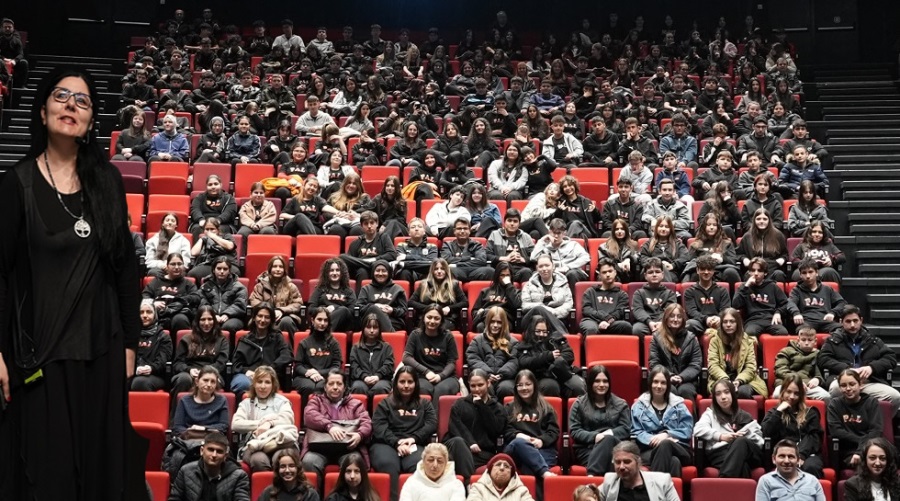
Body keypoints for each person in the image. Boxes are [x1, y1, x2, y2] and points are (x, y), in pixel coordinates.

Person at [0, 68, 146, 501]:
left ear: (91, 119)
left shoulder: (107, 180)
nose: (71, 105)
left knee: (100, 478)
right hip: (39, 357)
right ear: (42, 110)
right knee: (47, 479)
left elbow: (124, 267)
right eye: (61, 96)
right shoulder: (15, 183)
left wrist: (130, 346)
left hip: (101, 352)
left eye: (82, 101)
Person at [370, 366, 437, 501]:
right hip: (387, 444)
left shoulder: (425, 404)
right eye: (402, 382)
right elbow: (379, 427)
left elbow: (431, 424)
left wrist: (414, 438)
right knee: (388, 464)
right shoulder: (385, 404)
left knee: (418, 464)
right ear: (396, 383)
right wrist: (397, 443)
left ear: (416, 383)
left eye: (410, 382)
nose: (406, 386)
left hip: (415, 444)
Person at [818, 305, 900, 413]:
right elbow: (823, 359)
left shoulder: (872, 340)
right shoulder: (832, 340)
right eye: (848, 321)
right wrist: (847, 369)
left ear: (861, 320)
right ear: (841, 322)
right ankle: (843, 421)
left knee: (895, 397)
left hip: (868, 383)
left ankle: (875, 421)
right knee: (835, 389)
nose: (852, 325)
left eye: (855, 321)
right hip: (843, 382)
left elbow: (890, 357)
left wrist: (872, 367)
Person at [301, 369, 373, 478]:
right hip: (319, 449)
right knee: (309, 461)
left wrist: (360, 434)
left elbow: (366, 422)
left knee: (354, 461)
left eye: (339, 384)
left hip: (347, 449)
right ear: (325, 387)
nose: (335, 387)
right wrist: (329, 427)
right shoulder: (316, 401)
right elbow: (309, 415)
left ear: (344, 387)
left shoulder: (356, 404)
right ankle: (315, 490)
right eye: (331, 384)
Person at [631, 366, 694, 477]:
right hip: (649, 450)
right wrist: (654, 439)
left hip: (679, 448)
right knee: (674, 462)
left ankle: (654, 486)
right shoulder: (639, 406)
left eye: (663, 383)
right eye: (655, 382)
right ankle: (671, 488)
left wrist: (667, 435)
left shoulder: (678, 405)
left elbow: (687, 430)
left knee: (666, 444)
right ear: (650, 383)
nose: (659, 386)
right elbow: (636, 431)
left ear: (668, 385)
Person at [569, 365, 632, 476]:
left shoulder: (620, 404)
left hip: (615, 448)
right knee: (612, 463)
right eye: (597, 381)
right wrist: (595, 437)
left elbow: (626, 428)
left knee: (609, 441)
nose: (602, 385)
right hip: (587, 449)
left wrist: (608, 434)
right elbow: (574, 430)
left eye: (605, 381)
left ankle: (592, 477)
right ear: (590, 383)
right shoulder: (579, 404)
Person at [231, 366, 297, 472]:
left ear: (273, 384)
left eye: (267, 382)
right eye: (259, 382)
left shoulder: (282, 401)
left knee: (281, 460)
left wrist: (269, 424)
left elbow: (288, 420)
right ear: (254, 384)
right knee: (259, 461)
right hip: (254, 444)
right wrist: (261, 424)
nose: (263, 386)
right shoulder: (246, 403)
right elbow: (236, 424)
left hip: (279, 443)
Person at [695, 378, 764, 477]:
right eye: (718, 394)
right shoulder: (710, 414)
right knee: (743, 466)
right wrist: (721, 436)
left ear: (732, 394)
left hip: (749, 453)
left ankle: (723, 480)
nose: (723, 397)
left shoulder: (744, 416)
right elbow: (698, 430)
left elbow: (760, 442)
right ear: (714, 398)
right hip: (721, 454)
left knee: (741, 441)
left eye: (726, 392)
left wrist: (746, 435)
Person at [761, 374, 827, 479]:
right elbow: (765, 433)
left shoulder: (810, 413)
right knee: (785, 464)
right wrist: (779, 412)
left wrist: (799, 455)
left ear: (801, 395)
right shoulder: (774, 413)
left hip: (807, 454)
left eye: (796, 393)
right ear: (782, 392)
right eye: (788, 392)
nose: (792, 397)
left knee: (811, 466)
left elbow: (814, 438)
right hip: (783, 454)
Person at [503, 369, 560, 478]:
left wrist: (541, 441)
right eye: (520, 385)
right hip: (516, 448)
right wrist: (519, 436)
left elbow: (553, 431)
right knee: (519, 443)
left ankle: (538, 480)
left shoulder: (546, 407)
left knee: (529, 467)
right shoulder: (509, 407)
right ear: (516, 388)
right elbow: (505, 430)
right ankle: (544, 472)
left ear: (534, 385)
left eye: (528, 384)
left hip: (541, 448)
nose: (524, 388)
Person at [168, 431, 251, 501]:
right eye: (210, 450)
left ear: (225, 456)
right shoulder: (186, 471)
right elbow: (175, 498)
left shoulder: (239, 476)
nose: (214, 455)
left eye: (219, 451)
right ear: (202, 451)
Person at [515, 316, 585, 398]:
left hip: (563, 372)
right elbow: (525, 362)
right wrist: (548, 357)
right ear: (531, 331)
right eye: (538, 331)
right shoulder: (525, 344)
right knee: (550, 386)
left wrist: (555, 363)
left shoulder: (556, 337)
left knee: (578, 385)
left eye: (545, 332)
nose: (541, 334)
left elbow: (569, 354)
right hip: (541, 376)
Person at [230, 303, 293, 393]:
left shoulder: (277, 337)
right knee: (242, 384)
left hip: (270, 375)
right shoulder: (245, 340)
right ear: (254, 318)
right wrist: (247, 372)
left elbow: (287, 356)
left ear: (271, 320)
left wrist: (269, 369)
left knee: (266, 384)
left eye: (267, 317)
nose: (263, 320)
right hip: (249, 376)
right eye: (260, 316)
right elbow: (236, 364)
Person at [827, 369, 884, 468]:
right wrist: (861, 441)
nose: (848, 388)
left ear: (860, 385)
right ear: (839, 388)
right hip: (849, 450)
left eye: (852, 384)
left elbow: (876, 431)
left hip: (872, 448)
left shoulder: (871, 402)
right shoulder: (835, 404)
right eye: (843, 385)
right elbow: (836, 431)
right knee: (865, 465)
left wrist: (861, 448)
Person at [707, 308, 768, 399]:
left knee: (743, 391)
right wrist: (725, 380)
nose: (728, 325)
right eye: (725, 322)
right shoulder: (715, 340)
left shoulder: (747, 341)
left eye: (732, 321)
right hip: (721, 378)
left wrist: (739, 380)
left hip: (745, 380)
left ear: (738, 323)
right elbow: (713, 365)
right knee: (723, 391)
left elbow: (751, 367)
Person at [402, 305, 461, 399]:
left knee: (440, 390)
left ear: (441, 320)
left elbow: (452, 362)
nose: (432, 321)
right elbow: (406, 357)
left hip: (446, 377)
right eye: (429, 317)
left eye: (436, 318)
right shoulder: (415, 335)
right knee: (423, 389)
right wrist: (426, 372)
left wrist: (440, 376)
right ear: (423, 318)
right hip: (422, 375)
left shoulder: (448, 336)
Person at [170, 307, 230, 396]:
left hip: (212, 372)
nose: (206, 323)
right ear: (197, 321)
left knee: (211, 380)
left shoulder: (222, 340)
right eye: (203, 319)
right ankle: (177, 405)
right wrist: (189, 370)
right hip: (189, 373)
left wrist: (204, 373)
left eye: (210, 319)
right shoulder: (186, 339)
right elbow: (178, 363)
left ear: (214, 321)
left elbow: (221, 363)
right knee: (183, 380)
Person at [649, 304, 703, 400]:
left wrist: (681, 377)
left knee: (685, 391)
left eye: (679, 316)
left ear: (683, 319)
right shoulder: (657, 338)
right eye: (672, 316)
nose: (675, 319)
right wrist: (669, 376)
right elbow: (654, 363)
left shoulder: (691, 338)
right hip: (664, 378)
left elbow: (695, 364)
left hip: (687, 380)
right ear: (666, 318)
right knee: (670, 390)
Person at [597, 441, 681, 501]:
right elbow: (591, 494)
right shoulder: (610, 481)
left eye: (627, 462)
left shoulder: (662, 482)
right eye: (618, 462)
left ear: (638, 462)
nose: (621, 467)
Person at [465, 310, 520, 399]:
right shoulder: (477, 340)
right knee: (484, 387)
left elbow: (514, 361)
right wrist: (487, 374)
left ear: (504, 323)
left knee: (505, 388)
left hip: (505, 378)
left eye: (499, 322)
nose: (495, 325)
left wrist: (501, 374)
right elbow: (473, 358)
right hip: (483, 377)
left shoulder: (513, 342)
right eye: (492, 322)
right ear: (487, 322)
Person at [293, 307, 343, 398]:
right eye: (319, 319)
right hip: (305, 377)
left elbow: (336, 366)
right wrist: (309, 373)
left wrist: (318, 373)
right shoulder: (304, 343)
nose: (322, 323)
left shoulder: (333, 343)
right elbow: (298, 366)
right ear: (312, 320)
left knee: (321, 386)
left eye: (325, 320)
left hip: (327, 376)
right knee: (309, 387)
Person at [142, 253, 200, 331]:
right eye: (173, 264)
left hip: (179, 312)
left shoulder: (188, 283)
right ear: (167, 266)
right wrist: (153, 303)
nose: (176, 267)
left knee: (180, 320)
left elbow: (196, 297)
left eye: (179, 264)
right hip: (159, 312)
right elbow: (145, 295)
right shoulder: (156, 281)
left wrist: (179, 301)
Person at [756, 439, 826, 501]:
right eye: (782, 456)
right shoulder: (766, 481)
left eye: (791, 457)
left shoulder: (812, 480)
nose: (786, 461)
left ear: (798, 460)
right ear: (774, 459)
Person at [249, 255, 304, 334]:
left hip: (284, 317)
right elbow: (254, 302)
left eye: (281, 267)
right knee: (257, 321)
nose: (278, 269)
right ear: (270, 269)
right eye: (275, 266)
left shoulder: (291, 286)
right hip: (265, 316)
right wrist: (269, 313)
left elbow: (297, 304)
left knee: (287, 321)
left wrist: (281, 310)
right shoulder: (260, 286)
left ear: (284, 270)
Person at [521, 254, 574, 334]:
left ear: (553, 266)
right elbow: (525, 305)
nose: (544, 269)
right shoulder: (529, 285)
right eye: (541, 266)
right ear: (537, 268)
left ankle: (560, 335)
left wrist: (554, 312)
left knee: (552, 319)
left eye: (547, 265)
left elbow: (568, 304)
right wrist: (544, 308)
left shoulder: (563, 283)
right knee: (538, 308)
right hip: (533, 320)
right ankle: (563, 336)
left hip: (557, 318)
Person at [530, 218, 590, 290]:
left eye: (559, 233)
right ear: (549, 232)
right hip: (553, 273)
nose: (556, 236)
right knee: (537, 274)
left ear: (564, 233)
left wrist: (568, 267)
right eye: (553, 233)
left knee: (572, 274)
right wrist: (542, 240)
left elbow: (586, 257)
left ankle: (573, 297)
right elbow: (533, 258)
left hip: (572, 271)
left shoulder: (573, 244)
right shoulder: (544, 246)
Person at [171, 365, 230, 438]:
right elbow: (177, 427)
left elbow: (223, 426)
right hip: (189, 440)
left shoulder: (221, 401)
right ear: (197, 382)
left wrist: (203, 429)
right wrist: (191, 433)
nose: (209, 384)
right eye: (205, 380)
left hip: (212, 440)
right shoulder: (184, 401)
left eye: (213, 382)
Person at [788, 259, 846, 332]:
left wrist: (833, 313)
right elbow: (790, 303)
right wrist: (796, 313)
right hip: (806, 322)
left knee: (845, 329)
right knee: (803, 331)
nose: (808, 276)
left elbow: (842, 303)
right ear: (800, 275)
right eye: (804, 273)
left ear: (817, 273)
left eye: (810, 272)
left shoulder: (827, 289)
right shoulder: (796, 290)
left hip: (825, 321)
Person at [408, 259, 467, 330]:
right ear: (432, 271)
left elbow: (465, 302)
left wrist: (450, 308)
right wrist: (430, 309)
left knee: (440, 328)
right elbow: (411, 302)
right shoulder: (424, 284)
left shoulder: (453, 284)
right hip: (427, 318)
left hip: (446, 319)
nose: (439, 271)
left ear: (446, 271)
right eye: (436, 269)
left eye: (442, 269)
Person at [773, 328, 830, 401]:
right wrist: (797, 381)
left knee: (826, 396)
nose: (806, 343)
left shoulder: (818, 354)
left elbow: (819, 372)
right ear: (798, 340)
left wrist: (818, 379)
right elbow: (780, 370)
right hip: (786, 382)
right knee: (777, 394)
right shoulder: (786, 351)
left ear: (815, 341)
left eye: (810, 340)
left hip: (807, 385)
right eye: (803, 340)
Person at [340, 211, 398, 283]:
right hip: (360, 271)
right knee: (343, 257)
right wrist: (365, 263)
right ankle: (366, 264)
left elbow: (392, 254)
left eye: (372, 223)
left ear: (377, 224)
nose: (369, 226)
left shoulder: (384, 237)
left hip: (379, 269)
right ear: (361, 226)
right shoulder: (356, 242)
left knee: (364, 269)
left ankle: (368, 263)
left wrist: (374, 259)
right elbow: (349, 262)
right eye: (366, 223)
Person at [580, 258, 632, 335]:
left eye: (610, 271)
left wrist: (607, 321)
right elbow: (586, 310)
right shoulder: (590, 291)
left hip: (612, 322)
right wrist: (603, 319)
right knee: (591, 329)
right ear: (600, 275)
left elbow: (619, 312)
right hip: (592, 321)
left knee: (626, 326)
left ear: (615, 272)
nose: (607, 275)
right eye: (604, 272)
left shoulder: (622, 295)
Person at [683, 255, 733, 335]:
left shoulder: (722, 290)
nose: (706, 272)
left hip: (718, 323)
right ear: (697, 270)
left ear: (713, 271)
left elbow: (725, 309)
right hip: (700, 323)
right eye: (703, 269)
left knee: (730, 323)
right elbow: (692, 312)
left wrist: (718, 318)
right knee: (689, 324)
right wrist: (706, 319)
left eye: (709, 269)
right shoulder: (689, 291)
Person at [398, 442, 465, 501]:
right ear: (423, 462)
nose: (435, 465)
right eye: (430, 460)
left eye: (440, 461)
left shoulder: (456, 485)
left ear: (446, 464)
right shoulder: (411, 483)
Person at [132, 301, 174, 391]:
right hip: (132, 372)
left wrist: (151, 368)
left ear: (155, 315)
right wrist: (136, 369)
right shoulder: (130, 336)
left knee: (139, 382)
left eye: (149, 312)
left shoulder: (163, 337)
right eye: (141, 312)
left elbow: (162, 361)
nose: (144, 315)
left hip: (155, 374)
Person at [349, 313, 395, 397]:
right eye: (368, 327)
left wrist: (378, 376)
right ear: (363, 328)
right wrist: (364, 377)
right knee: (358, 387)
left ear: (379, 329)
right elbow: (354, 366)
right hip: (361, 379)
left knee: (380, 388)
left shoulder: (386, 347)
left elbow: (388, 365)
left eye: (375, 327)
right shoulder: (355, 348)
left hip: (382, 379)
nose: (372, 330)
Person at [631, 258, 679, 336]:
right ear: (645, 276)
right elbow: (638, 310)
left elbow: (669, 311)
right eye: (650, 272)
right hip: (645, 323)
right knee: (637, 329)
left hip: (664, 322)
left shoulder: (670, 293)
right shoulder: (639, 293)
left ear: (662, 275)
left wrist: (661, 322)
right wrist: (649, 322)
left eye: (657, 272)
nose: (654, 274)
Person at [487, 209, 536, 282]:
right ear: (504, 222)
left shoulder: (526, 237)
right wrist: (505, 258)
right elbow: (487, 255)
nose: (512, 223)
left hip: (521, 270)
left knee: (527, 271)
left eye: (515, 221)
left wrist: (523, 259)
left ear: (519, 224)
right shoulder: (495, 235)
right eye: (509, 220)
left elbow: (535, 257)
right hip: (501, 270)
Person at [358, 261, 408, 332]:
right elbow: (359, 308)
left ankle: (389, 333)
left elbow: (404, 311)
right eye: (377, 271)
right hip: (371, 322)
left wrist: (392, 310)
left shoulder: (398, 289)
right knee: (374, 308)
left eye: (384, 271)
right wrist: (376, 306)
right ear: (373, 272)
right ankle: (391, 335)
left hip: (392, 321)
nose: (380, 274)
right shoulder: (366, 289)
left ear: (389, 273)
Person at [308, 258, 357, 332]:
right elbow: (311, 309)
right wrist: (325, 310)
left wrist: (334, 307)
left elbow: (352, 311)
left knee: (343, 310)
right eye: (331, 270)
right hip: (323, 319)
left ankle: (324, 333)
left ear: (342, 273)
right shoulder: (320, 289)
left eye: (337, 270)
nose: (334, 273)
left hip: (343, 324)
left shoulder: (349, 291)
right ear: (326, 273)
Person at [639, 215, 690, 282]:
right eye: (661, 226)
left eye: (667, 227)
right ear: (656, 228)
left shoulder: (677, 243)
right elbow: (643, 258)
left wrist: (673, 265)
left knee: (664, 274)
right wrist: (658, 264)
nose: (663, 229)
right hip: (651, 271)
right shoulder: (648, 243)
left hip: (671, 272)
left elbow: (685, 257)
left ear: (671, 229)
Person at [467, 453, 534, 501]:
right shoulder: (478, 488)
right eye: (498, 464)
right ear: (490, 471)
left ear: (511, 474)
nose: (502, 468)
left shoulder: (522, 491)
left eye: (506, 466)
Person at [189, 175, 237, 239]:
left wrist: (217, 221)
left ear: (221, 185)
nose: (213, 187)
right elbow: (195, 210)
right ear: (206, 186)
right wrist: (201, 219)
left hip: (222, 223)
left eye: (216, 184)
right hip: (203, 222)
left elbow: (229, 212)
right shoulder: (199, 198)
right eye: (210, 185)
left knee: (220, 229)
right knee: (197, 228)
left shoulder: (229, 198)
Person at [556, 175, 603, 239]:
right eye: (565, 186)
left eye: (570, 185)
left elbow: (598, 219)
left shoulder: (586, 201)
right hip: (567, 231)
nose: (568, 188)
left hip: (585, 230)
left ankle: (566, 243)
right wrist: (559, 211)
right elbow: (555, 221)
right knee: (580, 234)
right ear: (562, 189)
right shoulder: (561, 202)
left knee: (576, 224)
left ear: (575, 186)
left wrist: (594, 210)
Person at [599, 219, 641, 284]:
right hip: (612, 275)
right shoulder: (605, 246)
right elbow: (603, 261)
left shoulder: (634, 244)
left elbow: (638, 257)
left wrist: (629, 259)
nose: (619, 231)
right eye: (617, 229)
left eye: (622, 229)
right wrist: (618, 266)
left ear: (626, 231)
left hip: (629, 275)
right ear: (613, 231)